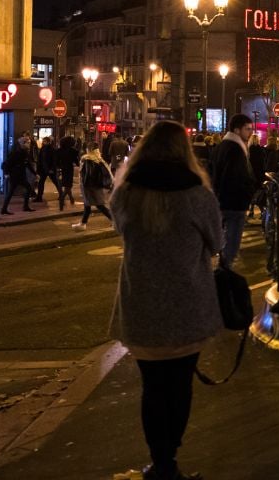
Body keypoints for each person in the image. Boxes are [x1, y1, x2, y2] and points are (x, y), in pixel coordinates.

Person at [110, 120, 223, 480]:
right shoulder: (198, 195)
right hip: (187, 304)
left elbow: (120, 228)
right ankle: (169, 458)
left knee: (152, 387)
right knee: (180, 386)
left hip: (142, 304)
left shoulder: (126, 193)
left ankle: (159, 462)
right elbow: (217, 243)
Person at [210, 114, 256, 270]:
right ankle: (224, 271)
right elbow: (236, 176)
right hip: (235, 202)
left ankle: (222, 268)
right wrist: (248, 193)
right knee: (232, 240)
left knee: (224, 238)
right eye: (247, 129)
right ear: (237, 130)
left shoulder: (222, 146)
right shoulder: (235, 149)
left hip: (222, 199)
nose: (250, 132)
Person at [73, 143, 113, 229]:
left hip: (89, 187)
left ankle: (115, 220)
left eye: (87, 148)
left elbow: (87, 174)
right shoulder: (99, 158)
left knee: (99, 205)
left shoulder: (87, 159)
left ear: (89, 149)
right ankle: (83, 223)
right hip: (97, 186)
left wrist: (84, 184)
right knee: (88, 205)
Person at [1, 135, 35, 213]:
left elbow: (27, 164)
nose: (29, 144)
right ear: (22, 143)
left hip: (21, 175)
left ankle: (24, 207)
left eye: (29, 143)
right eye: (27, 143)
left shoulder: (25, 152)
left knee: (27, 188)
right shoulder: (15, 152)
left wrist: (34, 173)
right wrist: (6, 173)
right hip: (15, 175)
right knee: (11, 192)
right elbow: (6, 164)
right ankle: (4, 209)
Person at [247, 133, 268, 221]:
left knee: (251, 194)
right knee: (259, 194)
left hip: (251, 175)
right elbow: (263, 164)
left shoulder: (248, 150)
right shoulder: (261, 150)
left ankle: (251, 211)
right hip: (259, 175)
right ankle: (262, 211)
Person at [34, 136, 61, 203]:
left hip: (49, 169)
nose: (43, 142)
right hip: (44, 169)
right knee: (41, 183)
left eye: (45, 141)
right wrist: (39, 168)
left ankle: (61, 194)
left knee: (55, 182)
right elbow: (40, 159)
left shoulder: (52, 149)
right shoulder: (43, 148)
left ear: (48, 142)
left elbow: (54, 160)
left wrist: (52, 168)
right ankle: (39, 197)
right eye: (43, 141)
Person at [56, 136, 80, 209]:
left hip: (60, 170)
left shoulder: (59, 151)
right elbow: (76, 162)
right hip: (69, 170)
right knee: (68, 186)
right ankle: (62, 199)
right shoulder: (73, 151)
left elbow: (56, 162)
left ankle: (71, 198)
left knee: (64, 186)